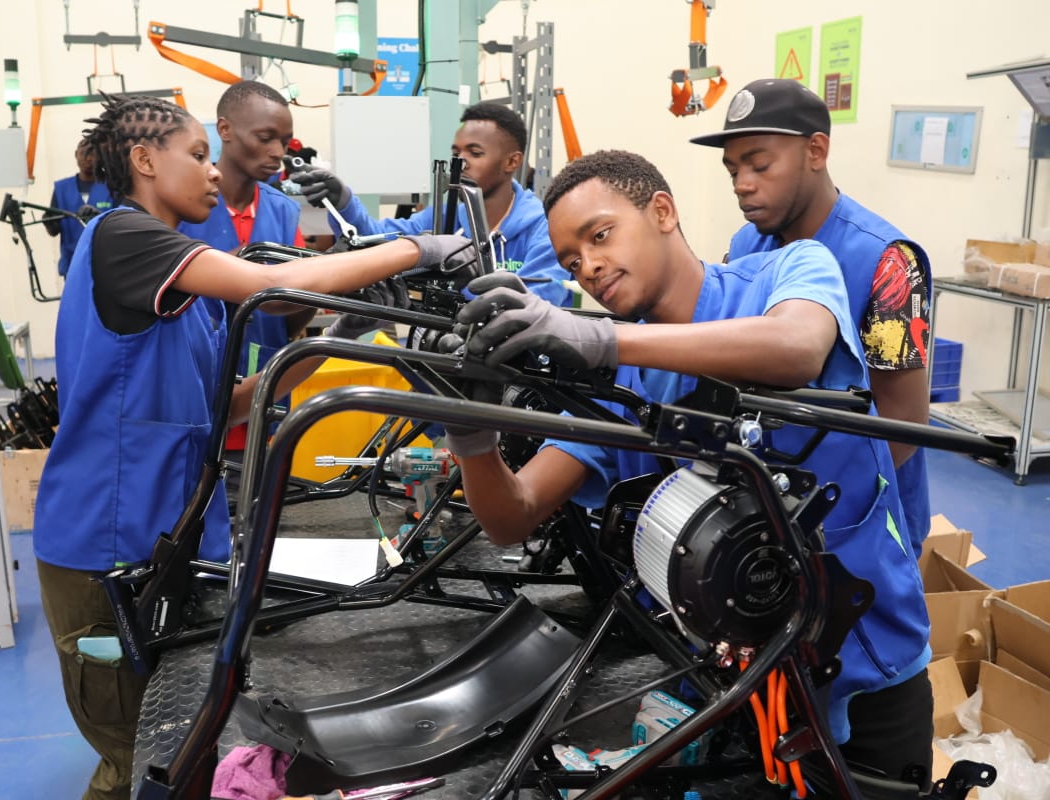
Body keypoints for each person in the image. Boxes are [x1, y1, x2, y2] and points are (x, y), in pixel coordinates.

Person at [443, 151, 932, 790]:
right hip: (731, 683)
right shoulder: (623, 385)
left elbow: (798, 347)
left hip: (866, 665)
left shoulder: (789, 270)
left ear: (663, 212)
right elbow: (513, 516)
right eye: (570, 263)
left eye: (599, 235)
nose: (588, 268)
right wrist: (471, 435)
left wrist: (600, 340)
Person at [31, 94, 473, 800]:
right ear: (145, 161)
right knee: (134, 766)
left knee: (179, 751)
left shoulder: (174, 279)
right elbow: (270, 286)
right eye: (199, 156)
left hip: (164, 542)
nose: (214, 175)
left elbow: (224, 403)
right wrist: (413, 249)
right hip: (104, 551)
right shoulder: (124, 237)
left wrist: (338, 334)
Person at [691, 78, 932, 556]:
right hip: (768, 503)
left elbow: (903, 425)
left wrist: (823, 517)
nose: (743, 184)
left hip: (858, 517)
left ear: (816, 151)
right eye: (733, 169)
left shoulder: (888, 262)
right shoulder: (746, 245)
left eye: (760, 165)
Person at [290, 101, 574, 306]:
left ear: (512, 161)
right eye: (456, 153)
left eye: (474, 153)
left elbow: (540, 301)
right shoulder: (444, 220)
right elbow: (374, 241)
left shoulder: (542, 228)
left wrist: (468, 288)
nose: (460, 164)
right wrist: (344, 202)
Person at [177, 80, 314, 466]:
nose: (277, 153)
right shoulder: (186, 207)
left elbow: (294, 314)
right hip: (196, 402)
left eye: (284, 142)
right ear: (224, 130)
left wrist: (315, 288)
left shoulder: (282, 211)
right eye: (265, 138)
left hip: (261, 403)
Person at [45, 139, 115, 277]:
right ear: (76, 154)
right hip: (73, 264)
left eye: (92, 154)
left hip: (106, 264)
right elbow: (53, 229)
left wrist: (100, 217)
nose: (88, 158)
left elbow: (123, 222)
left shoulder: (112, 187)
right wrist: (49, 223)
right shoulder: (62, 189)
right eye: (84, 153)